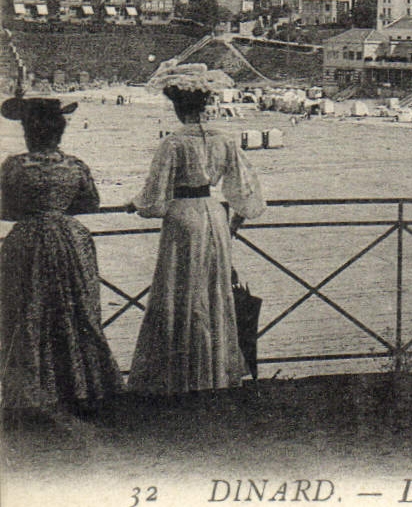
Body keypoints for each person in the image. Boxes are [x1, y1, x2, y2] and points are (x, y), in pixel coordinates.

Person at [126, 76, 266, 394]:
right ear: (204, 107)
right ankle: (213, 373)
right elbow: (246, 188)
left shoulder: (173, 143)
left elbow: (153, 195)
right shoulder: (224, 139)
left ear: (178, 108)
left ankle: (179, 376)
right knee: (212, 291)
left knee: (180, 291)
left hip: (183, 217)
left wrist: (134, 204)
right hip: (215, 217)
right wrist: (233, 224)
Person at [0, 96, 122, 413]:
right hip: (71, 241)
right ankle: (82, 385)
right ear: (59, 131)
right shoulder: (75, 165)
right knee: (77, 311)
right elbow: (90, 203)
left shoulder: (14, 167)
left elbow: (5, 209)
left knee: (28, 312)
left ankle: (32, 390)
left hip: (27, 242)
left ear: (28, 132)